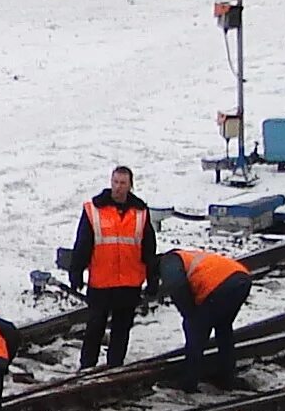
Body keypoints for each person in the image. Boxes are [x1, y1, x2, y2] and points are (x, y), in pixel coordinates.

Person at [64, 166, 158, 370]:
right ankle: (87, 366)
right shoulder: (94, 210)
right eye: (115, 182)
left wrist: (152, 278)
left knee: (122, 329)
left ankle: (115, 366)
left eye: (123, 183)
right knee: (95, 327)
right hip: (101, 281)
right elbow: (82, 244)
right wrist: (76, 272)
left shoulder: (141, 212)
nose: (118, 187)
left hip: (130, 282)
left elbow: (149, 249)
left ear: (130, 185)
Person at [159, 247, 254, 389]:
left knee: (195, 331)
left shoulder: (169, 261)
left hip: (221, 285)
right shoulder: (188, 256)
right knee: (223, 328)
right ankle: (227, 377)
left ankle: (188, 382)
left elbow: (177, 286)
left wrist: (189, 313)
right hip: (241, 279)